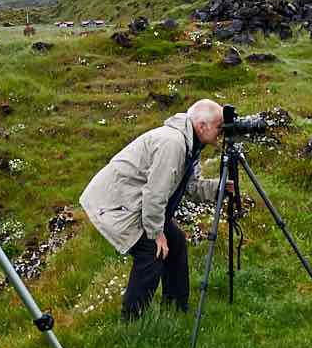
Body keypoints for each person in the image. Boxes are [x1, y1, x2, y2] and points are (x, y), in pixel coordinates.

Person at [80, 99, 231, 319]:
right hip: (116, 205)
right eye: (219, 126)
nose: (222, 132)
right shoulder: (174, 144)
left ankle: (175, 309)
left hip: (133, 202)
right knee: (151, 251)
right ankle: (132, 321)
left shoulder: (191, 145)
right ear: (201, 126)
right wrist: (156, 233)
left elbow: (190, 186)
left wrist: (219, 188)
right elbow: (155, 193)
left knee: (176, 241)